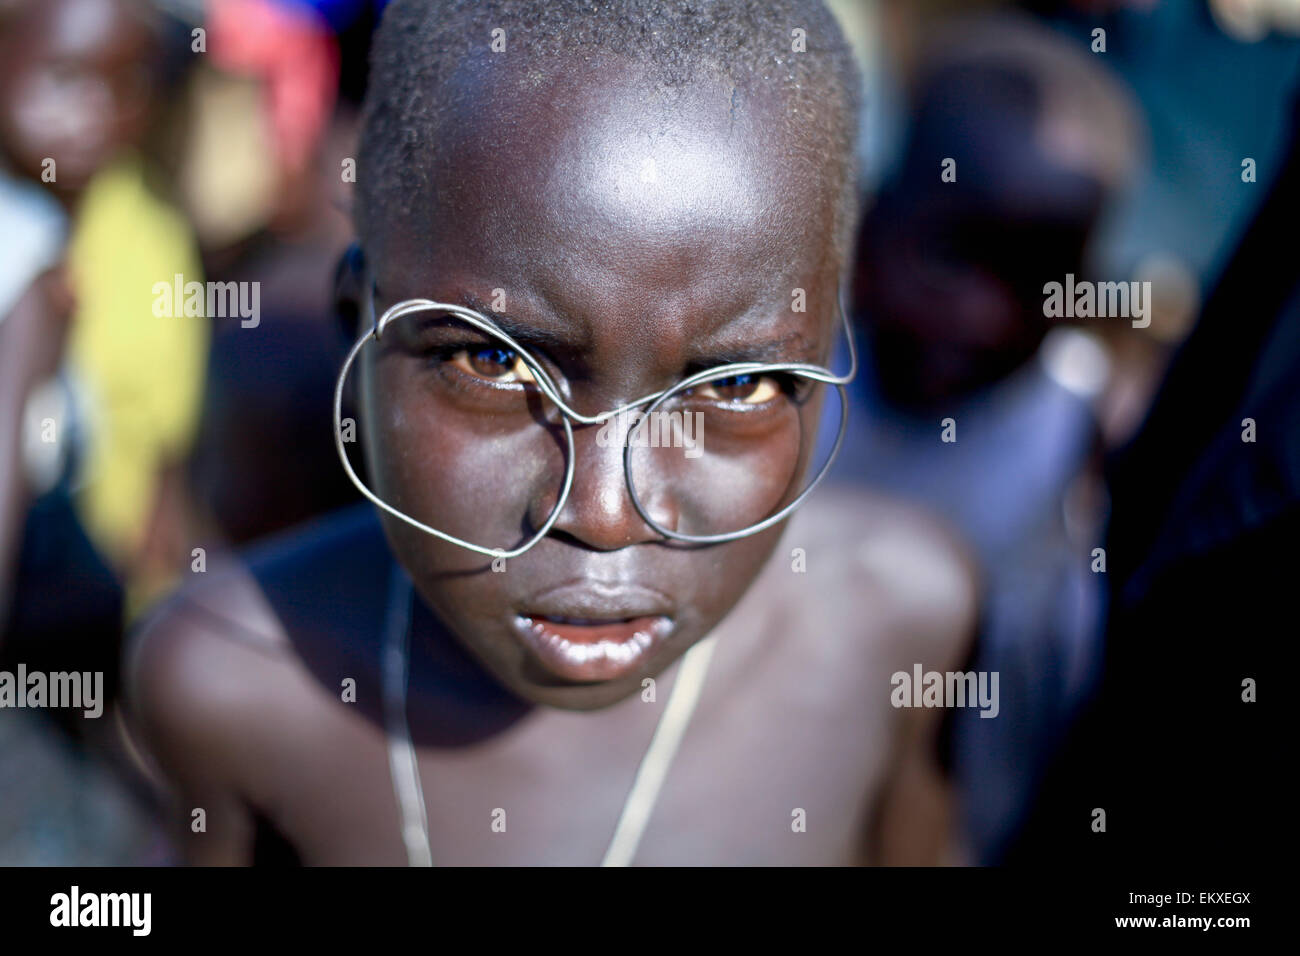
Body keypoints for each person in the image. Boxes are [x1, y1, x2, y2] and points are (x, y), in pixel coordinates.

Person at [125, 0, 976, 866]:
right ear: (359, 324)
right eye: (495, 366)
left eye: (739, 383)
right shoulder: (233, 683)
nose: (604, 515)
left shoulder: (895, 624)